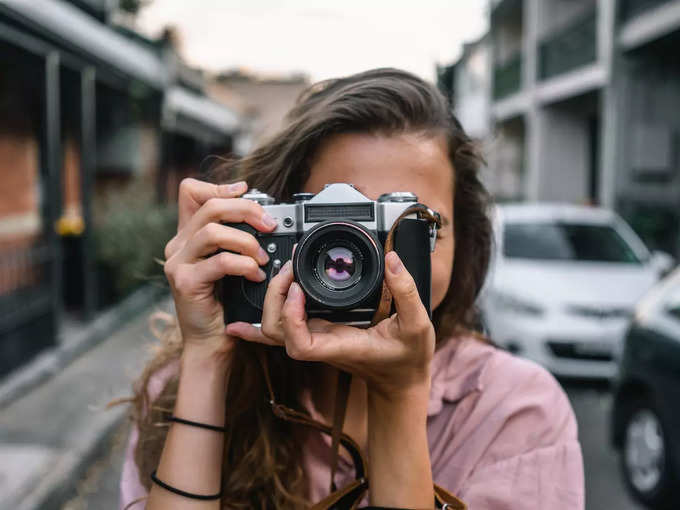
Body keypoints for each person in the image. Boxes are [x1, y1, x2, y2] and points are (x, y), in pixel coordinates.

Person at [119, 68, 584, 509]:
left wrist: (398, 394)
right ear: (275, 228)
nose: (373, 261)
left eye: (414, 226)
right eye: (337, 227)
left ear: (465, 241)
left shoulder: (516, 411)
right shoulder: (183, 386)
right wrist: (208, 358)